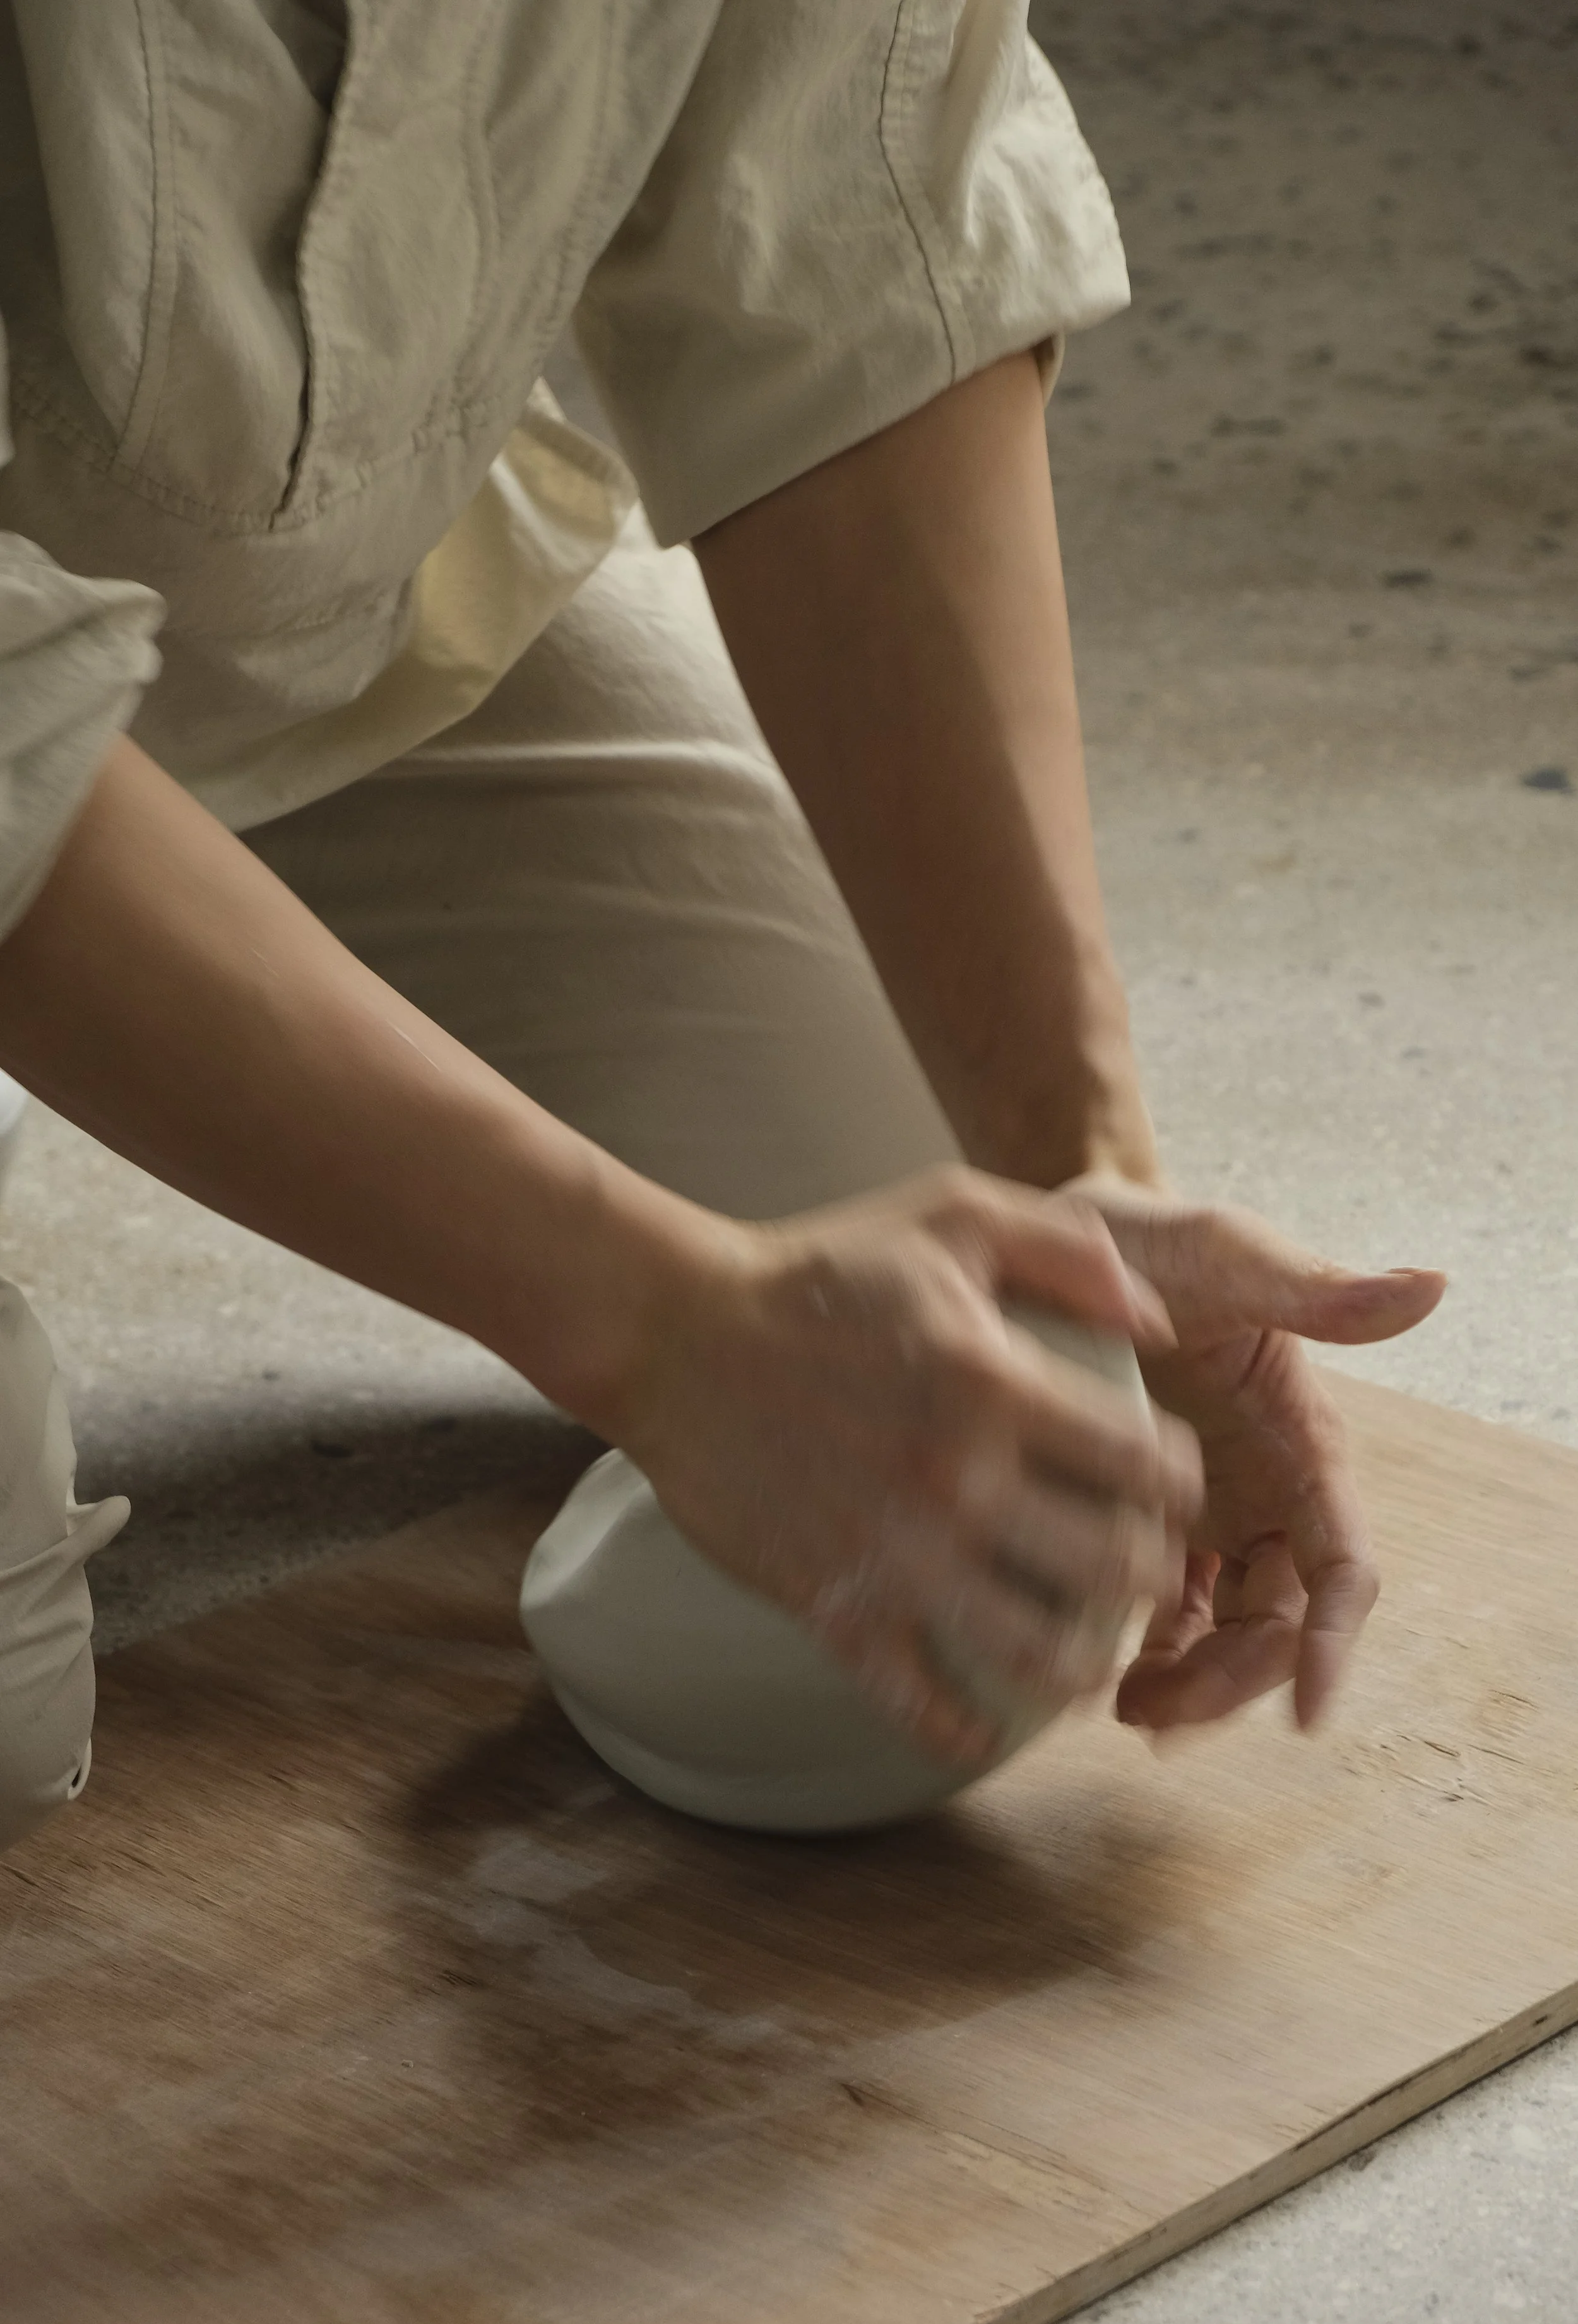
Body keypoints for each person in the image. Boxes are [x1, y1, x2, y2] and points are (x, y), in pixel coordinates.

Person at [0, 0, 1442, 1854]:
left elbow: (843, 237)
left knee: (993, 1337)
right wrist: (649, 1321)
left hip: (288, 610)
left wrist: (1075, 1172)